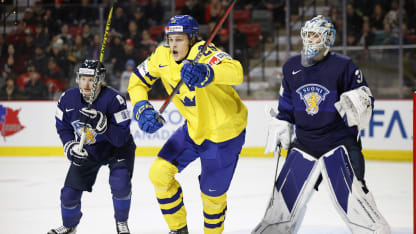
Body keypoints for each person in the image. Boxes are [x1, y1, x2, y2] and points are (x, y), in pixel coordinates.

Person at [252, 15, 391, 234]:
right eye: (307, 35)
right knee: (281, 207)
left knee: (358, 203)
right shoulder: (291, 67)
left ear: (328, 38)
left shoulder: (343, 66)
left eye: (315, 35)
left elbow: (365, 100)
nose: (310, 40)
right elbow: (286, 105)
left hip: (339, 143)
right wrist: (282, 122)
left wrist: (359, 101)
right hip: (305, 143)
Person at [128, 15, 247, 234]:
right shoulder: (161, 56)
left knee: (212, 195)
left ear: (192, 39)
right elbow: (136, 80)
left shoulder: (206, 53)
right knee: (159, 173)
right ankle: (178, 230)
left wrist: (208, 72)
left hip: (224, 134)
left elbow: (237, 72)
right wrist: (141, 106)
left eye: (180, 39)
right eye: (170, 38)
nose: (173, 44)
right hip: (193, 130)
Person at [49, 60, 135, 234]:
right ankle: (69, 225)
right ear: (78, 79)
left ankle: (122, 222)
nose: (87, 84)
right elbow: (63, 127)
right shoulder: (67, 99)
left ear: (101, 80)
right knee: (68, 194)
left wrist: (103, 124)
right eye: (83, 78)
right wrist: (70, 146)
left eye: (91, 79)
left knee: (120, 183)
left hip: (116, 149)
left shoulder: (115, 99)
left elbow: (121, 138)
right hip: (89, 149)